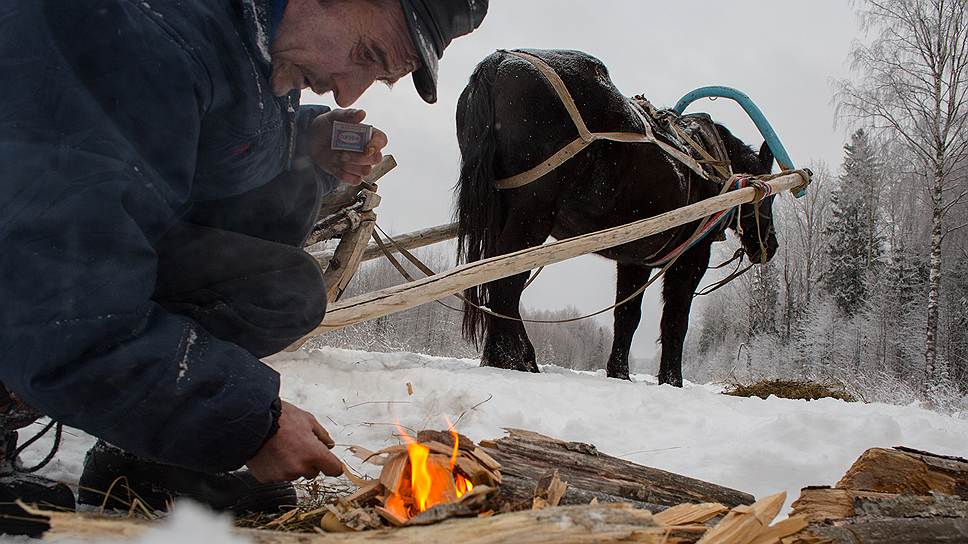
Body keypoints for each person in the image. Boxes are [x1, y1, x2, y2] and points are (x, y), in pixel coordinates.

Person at [0, 0, 488, 534]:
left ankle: (143, 456)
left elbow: (207, 132)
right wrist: (247, 423)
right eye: (366, 53)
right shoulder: (140, 29)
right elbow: (58, 301)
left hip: (46, 259)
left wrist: (308, 146)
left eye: (381, 76)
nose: (349, 93)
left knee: (279, 286)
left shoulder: (252, 35)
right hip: (28, 278)